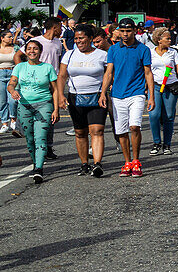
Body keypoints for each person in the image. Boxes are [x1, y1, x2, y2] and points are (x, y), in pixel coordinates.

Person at [101, 18, 155, 177]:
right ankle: (127, 162)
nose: (125, 34)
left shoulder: (143, 49)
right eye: (122, 31)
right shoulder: (113, 50)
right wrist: (103, 93)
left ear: (134, 31)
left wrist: (151, 96)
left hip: (137, 93)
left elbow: (148, 73)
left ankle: (136, 160)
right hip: (117, 95)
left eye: (128, 31)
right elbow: (109, 72)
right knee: (121, 131)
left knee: (134, 127)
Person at [58, 24, 109, 177]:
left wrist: (104, 93)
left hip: (97, 96)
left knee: (97, 130)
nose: (78, 41)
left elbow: (108, 75)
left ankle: (97, 164)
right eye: (76, 39)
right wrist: (61, 95)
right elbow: (61, 76)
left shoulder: (102, 55)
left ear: (90, 38)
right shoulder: (69, 55)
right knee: (80, 132)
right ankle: (84, 164)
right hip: (75, 97)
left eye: (81, 38)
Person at [8, 39, 60, 181]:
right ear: (25, 51)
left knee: (40, 137)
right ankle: (35, 162)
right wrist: (12, 91)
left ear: (40, 51)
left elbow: (55, 90)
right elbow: (11, 84)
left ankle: (39, 168)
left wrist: (56, 109)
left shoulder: (47, 67)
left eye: (35, 49)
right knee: (30, 138)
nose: (32, 51)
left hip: (44, 105)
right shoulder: (20, 67)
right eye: (29, 48)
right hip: (24, 106)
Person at [147, 27, 178, 156]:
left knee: (169, 116)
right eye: (167, 38)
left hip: (171, 86)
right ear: (159, 40)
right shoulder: (150, 52)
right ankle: (156, 142)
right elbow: (147, 71)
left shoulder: (173, 52)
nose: (170, 40)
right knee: (154, 115)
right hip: (155, 86)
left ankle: (167, 144)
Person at [32, 17, 64, 160]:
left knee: (50, 115)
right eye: (60, 27)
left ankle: (48, 146)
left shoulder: (58, 43)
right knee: (35, 114)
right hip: (38, 83)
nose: (61, 30)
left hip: (53, 81)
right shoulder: (37, 41)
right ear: (54, 27)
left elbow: (58, 61)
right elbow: (18, 55)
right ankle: (37, 146)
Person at [0, 30, 25, 135]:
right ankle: (4, 123)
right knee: (2, 100)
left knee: (13, 100)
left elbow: (21, 59)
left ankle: (13, 120)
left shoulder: (15, 48)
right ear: (2, 38)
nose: (11, 38)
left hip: (12, 73)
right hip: (0, 73)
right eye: (9, 37)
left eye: (11, 36)